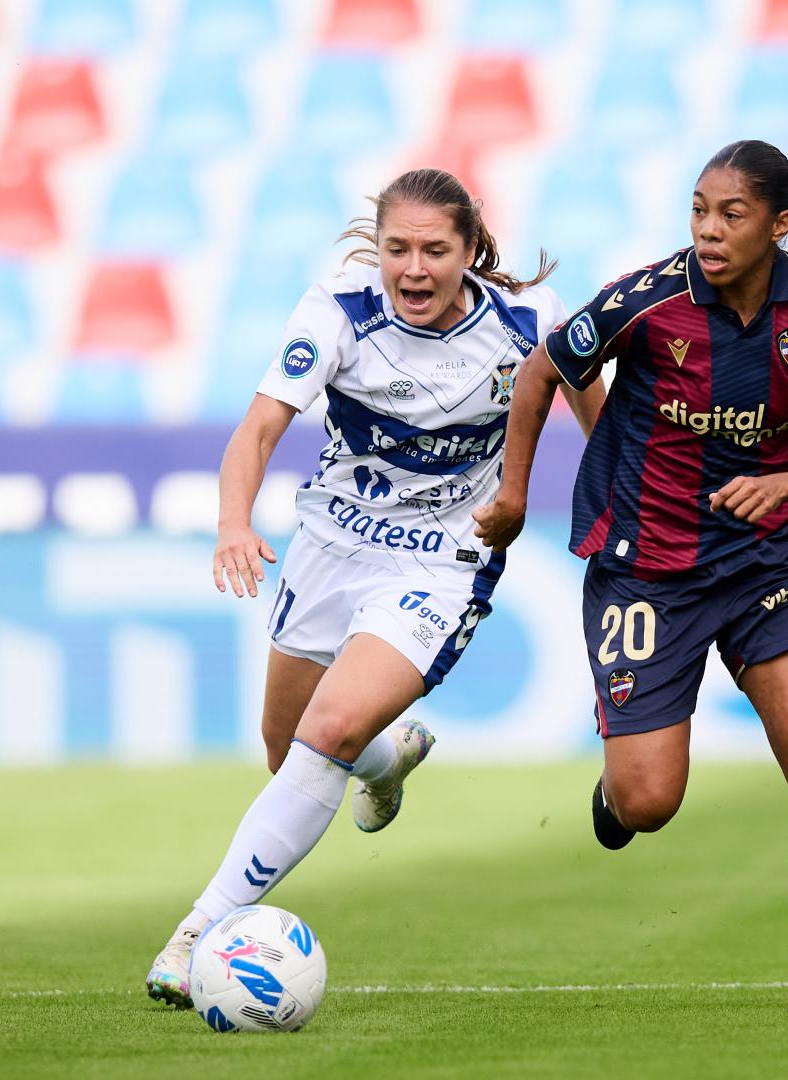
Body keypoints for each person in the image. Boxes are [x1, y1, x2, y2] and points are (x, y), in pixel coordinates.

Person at [145, 168, 604, 1007]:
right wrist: (232, 524)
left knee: (330, 728)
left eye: (435, 250)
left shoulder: (531, 322)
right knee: (289, 751)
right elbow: (257, 430)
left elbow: (595, 418)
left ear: (471, 252)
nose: (415, 268)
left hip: (442, 557)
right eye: (399, 249)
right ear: (378, 251)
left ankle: (195, 931)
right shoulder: (337, 310)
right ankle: (387, 763)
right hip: (330, 541)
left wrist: (591, 509)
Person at [474, 140, 788, 1013]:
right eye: (698, 209)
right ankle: (617, 791)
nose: (708, 229)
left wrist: (783, 483)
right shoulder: (648, 299)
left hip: (766, 561)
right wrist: (511, 495)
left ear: (778, 223)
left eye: (730, 214)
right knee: (649, 803)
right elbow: (547, 366)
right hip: (647, 572)